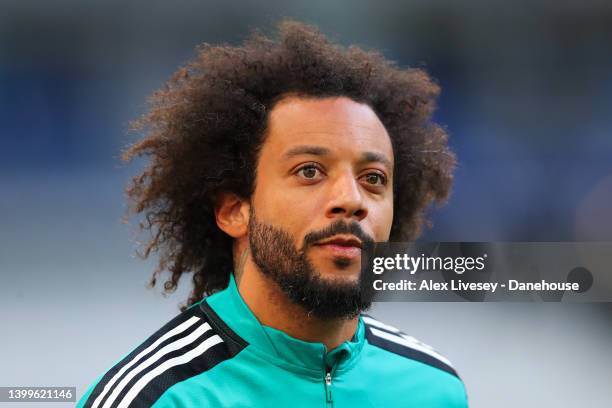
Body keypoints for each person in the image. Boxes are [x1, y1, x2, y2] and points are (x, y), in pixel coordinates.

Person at [77, 20, 468, 408]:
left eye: (373, 178)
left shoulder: (435, 389)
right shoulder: (158, 398)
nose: (352, 199)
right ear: (234, 210)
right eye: (310, 171)